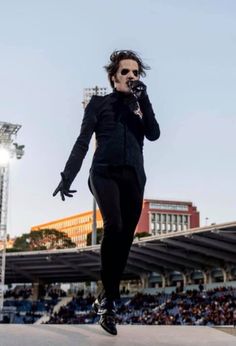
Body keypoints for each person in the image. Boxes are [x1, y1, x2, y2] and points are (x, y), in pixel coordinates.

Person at [53, 50, 160, 335]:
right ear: (114, 78)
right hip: (104, 172)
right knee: (114, 226)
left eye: (136, 73)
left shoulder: (140, 104)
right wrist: (68, 175)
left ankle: (106, 294)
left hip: (134, 177)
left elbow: (153, 134)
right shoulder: (99, 104)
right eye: (125, 72)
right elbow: (82, 141)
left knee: (125, 237)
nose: (131, 77)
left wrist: (144, 99)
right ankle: (109, 303)